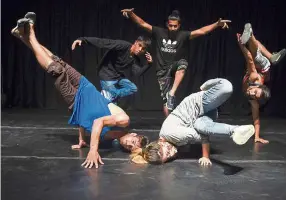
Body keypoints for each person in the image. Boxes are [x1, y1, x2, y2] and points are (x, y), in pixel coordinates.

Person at [11, 12, 149, 169]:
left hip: (76, 101)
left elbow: (88, 119)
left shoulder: (112, 138)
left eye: (130, 147)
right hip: (86, 87)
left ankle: (27, 32)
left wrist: (82, 138)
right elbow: (98, 121)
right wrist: (92, 150)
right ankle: (24, 34)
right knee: (58, 62)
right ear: (133, 134)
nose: (128, 144)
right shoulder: (123, 122)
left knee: (55, 69)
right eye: (133, 141)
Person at [121, 8, 231, 116]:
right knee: (167, 103)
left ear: (179, 26)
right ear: (167, 24)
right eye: (170, 25)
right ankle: (169, 122)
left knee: (182, 63)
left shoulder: (183, 35)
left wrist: (217, 24)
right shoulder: (159, 32)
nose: (173, 28)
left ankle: (172, 92)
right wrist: (131, 14)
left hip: (174, 66)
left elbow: (202, 31)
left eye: (175, 26)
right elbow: (143, 24)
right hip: (162, 70)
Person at [130, 78, 255, 165]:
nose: (170, 153)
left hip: (199, 103)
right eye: (167, 158)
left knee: (227, 87)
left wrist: (205, 156)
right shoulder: (169, 141)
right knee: (200, 124)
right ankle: (236, 130)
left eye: (166, 151)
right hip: (202, 117)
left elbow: (203, 136)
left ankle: (209, 84)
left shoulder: (172, 135)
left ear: (160, 142)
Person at [237, 23, 286, 144]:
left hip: (259, 72)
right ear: (257, 86)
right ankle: (252, 35)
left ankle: (269, 53)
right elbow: (248, 58)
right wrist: (241, 45)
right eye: (255, 91)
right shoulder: (254, 79)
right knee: (254, 55)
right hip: (264, 68)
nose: (251, 93)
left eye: (253, 95)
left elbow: (256, 118)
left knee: (256, 45)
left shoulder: (253, 100)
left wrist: (257, 136)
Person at [71, 35, 152, 104]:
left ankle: (109, 95)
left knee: (133, 88)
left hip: (118, 77)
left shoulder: (135, 58)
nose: (140, 49)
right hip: (107, 75)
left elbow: (137, 73)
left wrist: (149, 64)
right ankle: (107, 98)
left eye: (143, 48)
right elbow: (104, 42)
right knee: (111, 106)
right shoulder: (123, 46)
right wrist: (83, 40)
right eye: (140, 45)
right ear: (136, 42)